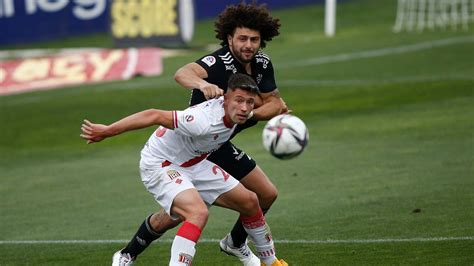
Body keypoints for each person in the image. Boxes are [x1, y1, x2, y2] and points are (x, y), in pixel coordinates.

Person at [111, 3, 288, 266]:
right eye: (242, 39)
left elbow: (277, 104)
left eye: (254, 39)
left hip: (219, 142)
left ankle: (236, 243)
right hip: (197, 143)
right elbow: (183, 73)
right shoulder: (218, 62)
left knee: (264, 195)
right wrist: (203, 85)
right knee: (180, 214)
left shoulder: (262, 63)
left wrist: (253, 113)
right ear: (230, 38)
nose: (248, 45)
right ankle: (128, 253)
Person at [80, 73, 287, 266]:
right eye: (239, 100)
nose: (244, 107)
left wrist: (279, 110)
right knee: (197, 212)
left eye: (249, 102)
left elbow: (270, 103)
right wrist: (107, 131)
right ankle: (132, 256)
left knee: (250, 202)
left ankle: (271, 263)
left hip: (194, 162)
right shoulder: (202, 121)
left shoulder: (241, 113)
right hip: (160, 163)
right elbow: (154, 115)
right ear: (225, 99)